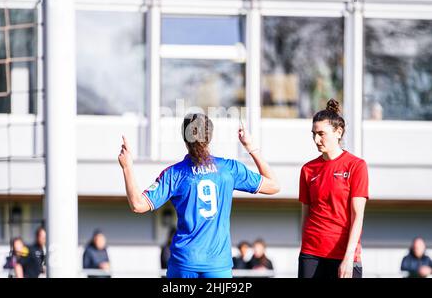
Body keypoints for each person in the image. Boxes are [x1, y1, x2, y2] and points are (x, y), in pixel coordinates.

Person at [118, 113, 280, 278]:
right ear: (210, 137)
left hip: (183, 263)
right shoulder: (229, 169)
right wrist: (250, 147)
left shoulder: (174, 174)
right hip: (217, 265)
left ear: (184, 138)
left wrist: (127, 167)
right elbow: (274, 185)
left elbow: (138, 204)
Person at [298, 99, 369, 279]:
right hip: (310, 254)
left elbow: (357, 216)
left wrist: (348, 257)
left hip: (343, 255)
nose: (316, 139)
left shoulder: (356, 166)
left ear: (338, 132)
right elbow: (305, 214)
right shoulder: (307, 169)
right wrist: (305, 245)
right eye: (313, 134)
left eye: (321, 133)